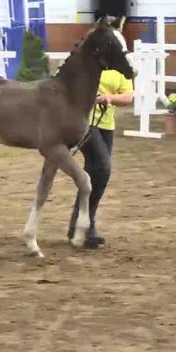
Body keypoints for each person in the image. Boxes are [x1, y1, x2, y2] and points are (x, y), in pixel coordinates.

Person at [67, 17, 134, 248]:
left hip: (107, 124)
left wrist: (109, 98)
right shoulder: (87, 64)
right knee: (102, 167)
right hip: (85, 122)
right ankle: (86, 223)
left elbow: (128, 97)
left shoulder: (117, 68)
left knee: (99, 174)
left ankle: (82, 222)